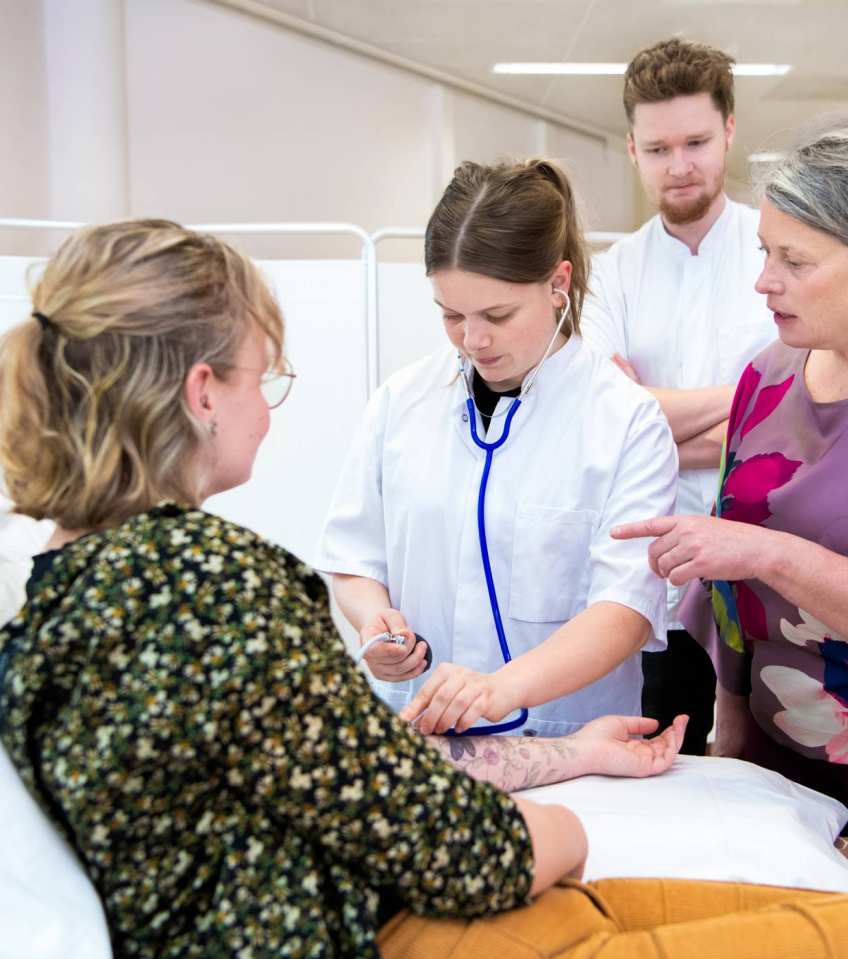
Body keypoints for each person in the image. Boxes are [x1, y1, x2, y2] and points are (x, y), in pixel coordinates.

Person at [0, 219, 688, 957]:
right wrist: (568, 829)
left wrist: (573, 753)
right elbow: (460, 847)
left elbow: (342, 769)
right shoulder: (214, 586)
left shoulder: (58, 602)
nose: (267, 410)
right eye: (262, 377)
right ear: (203, 391)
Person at [615, 108, 848, 836]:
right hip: (771, 774)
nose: (764, 283)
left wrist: (765, 551)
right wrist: (731, 730)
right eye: (765, 253)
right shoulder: (767, 378)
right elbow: (734, 595)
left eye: (795, 262)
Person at [316, 159, 679, 739]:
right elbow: (355, 560)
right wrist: (374, 626)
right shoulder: (402, 402)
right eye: (452, 315)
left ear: (558, 284)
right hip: (419, 732)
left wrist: (498, 690)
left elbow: (626, 612)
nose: (473, 339)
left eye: (497, 315)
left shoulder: (625, 421)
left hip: (566, 741)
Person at [579, 39, 777, 755]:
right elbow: (607, 418)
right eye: (659, 148)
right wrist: (757, 396)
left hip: (774, 557)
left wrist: (653, 415)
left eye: (696, 141)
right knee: (666, 756)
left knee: (776, 772)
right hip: (657, 572)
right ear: (632, 149)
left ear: (729, 130)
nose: (680, 164)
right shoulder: (612, 273)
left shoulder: (780, 251)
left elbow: (815, 416)